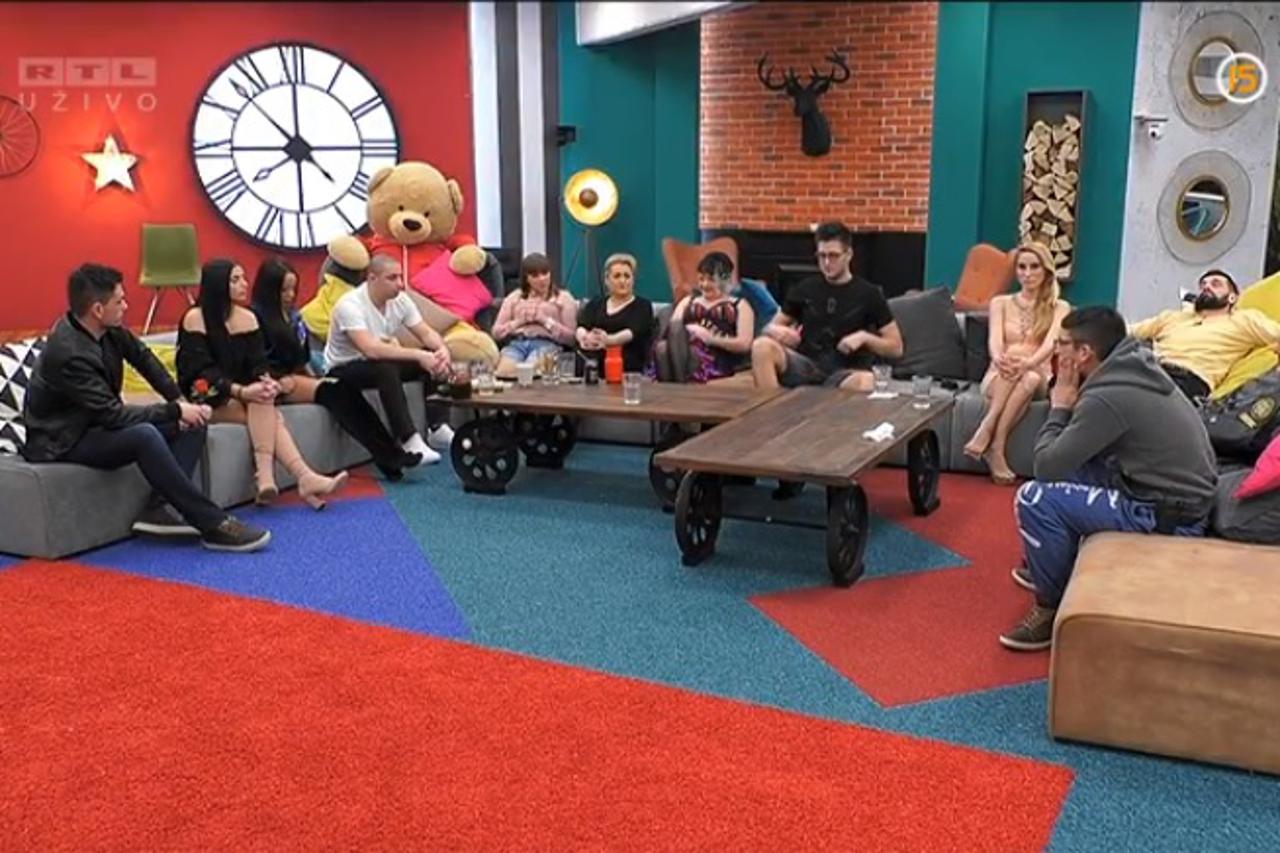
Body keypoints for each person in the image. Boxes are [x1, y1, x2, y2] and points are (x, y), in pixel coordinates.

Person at [1000, 306, 1218, 652]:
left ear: (1084, 353)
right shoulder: (1135, 368)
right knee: (1074, 465)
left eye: (1062, 343)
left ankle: (1050, 608)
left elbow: (1044, 465)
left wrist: (1060, 406)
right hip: (1178, 496)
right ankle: (1052, 562)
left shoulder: (1107, 396)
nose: (1056, 349)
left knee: (1035, 498)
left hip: (1166, 517)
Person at [21, 263, 270, 552]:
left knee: (192, 424)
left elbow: (143, 358)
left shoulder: (107, 330)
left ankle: (159, 508)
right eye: (120, 301)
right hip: (63, 440)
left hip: (93, 424)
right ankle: (213, 524)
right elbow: (113, 415)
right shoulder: (69, 354)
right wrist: (175, 411)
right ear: (98, 309)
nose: (126, 306)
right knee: (144, 435)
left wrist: (180, 402)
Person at [178, 259, 348, 510]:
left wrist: (267, 382)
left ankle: (277, 479)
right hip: (206, 394)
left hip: (244, 394)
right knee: (269, 415)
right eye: (235, 280)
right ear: (217, 284)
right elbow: (199, 373)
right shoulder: (195, 318)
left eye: (243, 278)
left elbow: (258, 365)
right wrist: (240, 390)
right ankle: (295, 476)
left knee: (263, 395)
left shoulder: (248, 318)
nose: (244, 285)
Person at [250, 257, 422, 480]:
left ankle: (388, 454)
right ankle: (389, 455)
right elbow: (255, 360)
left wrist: (312, 377)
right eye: (284, 290)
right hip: (272, 380)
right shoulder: (256, 318)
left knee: (343, 389)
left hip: (295, 377)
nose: (290, 295)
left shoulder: (294, 317)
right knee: (335, 392)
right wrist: (279, 380)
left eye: (293, 289)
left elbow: (302, 359)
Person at [324, 254, 455, 466]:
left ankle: (438, 428)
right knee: (386, 368)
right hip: (343, 368)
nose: (400, 284)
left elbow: (425, 333)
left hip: (376, 361)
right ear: (372, 278)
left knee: (431, 358)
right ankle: (409, 439)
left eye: (400, 277)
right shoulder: (349, 305)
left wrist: (441, 350)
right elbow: (370, 350)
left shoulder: (400, 300)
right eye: (392, 278)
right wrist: (418, 355)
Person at [963, 242, 1071, 484]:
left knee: (1031, 376)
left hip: (1038, 375)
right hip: (1000, 373)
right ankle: (996, 448)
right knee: (1023, 377)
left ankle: (987, 427)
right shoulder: (1000, 302)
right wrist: (999, 359)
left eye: (1034, 267)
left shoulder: (1059, 307)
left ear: (1046, 270)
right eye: (1022, 267)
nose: (1027, 273)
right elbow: (994, 341)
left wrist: (1028, 363)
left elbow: (1050, 345)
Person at [751, 221, 904, 391]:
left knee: (865, 380)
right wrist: (776, 331)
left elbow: (896, 348)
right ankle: (772, 405)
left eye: (833, 256)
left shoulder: (870, 294)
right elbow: (768, 328)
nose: (826, 262)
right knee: (761, 347)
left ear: (848, 254)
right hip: (807, 365)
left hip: (847, 371)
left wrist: (865, 338)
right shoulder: (805, 288)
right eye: (821, 256)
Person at [1129, 269, 1280, 401]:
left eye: (1216, 284)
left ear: (1232, 297)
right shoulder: (1174, 317)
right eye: (1203, 285)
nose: (1206, 287)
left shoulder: (1243, 320)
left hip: (1186, 380)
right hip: (1147, 367)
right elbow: (1128, 331)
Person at [654, 251, 755, 383]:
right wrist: (690, 331)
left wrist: (710, 338)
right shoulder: (688, 301)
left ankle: (679, 387)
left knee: (687, 352)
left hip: (715, 357)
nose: (705, 284)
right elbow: (672, 329)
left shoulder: (740, 305)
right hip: (682, 347)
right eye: (701, 279)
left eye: (711, 279)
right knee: (662, 347)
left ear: (725, 280)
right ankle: (680, 385)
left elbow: (744, 343)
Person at [491, 252, 577, 379]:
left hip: (546, 344)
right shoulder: (515, 297)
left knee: (528, 373)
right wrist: (519, 322)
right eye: (535, 276)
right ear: (526, 278)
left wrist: (544, 320)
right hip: (517, 343)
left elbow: (571, 338)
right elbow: (496, 332)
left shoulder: (563, 298)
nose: (542, 279)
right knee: (504, 373)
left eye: (545, 273)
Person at [575, 253, 655, 375]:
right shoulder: (596, 303)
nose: (622, 281)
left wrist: (608, 340)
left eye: (627, 276)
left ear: (633, 279)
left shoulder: (643, 306)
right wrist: (585, 338)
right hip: (592, 358)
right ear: (607, 280)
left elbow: (631, 333)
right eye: (617, 276)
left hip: (626, 363)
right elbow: (581, 326)